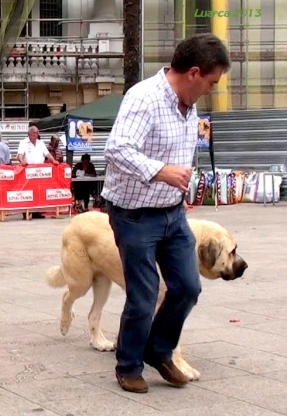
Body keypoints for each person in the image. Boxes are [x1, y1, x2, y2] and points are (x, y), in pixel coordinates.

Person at [100, 33, 230, 394]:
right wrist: (162, 171)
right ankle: (128, 365)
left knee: (188, 286)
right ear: (193, 73)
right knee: (143, 295)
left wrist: (178, 188)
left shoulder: (189, 105)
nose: (210, 90)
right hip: (134, 214)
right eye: (210, 82)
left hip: (172, 212)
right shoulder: (144, 98)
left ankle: (159, 351)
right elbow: (117, 149)